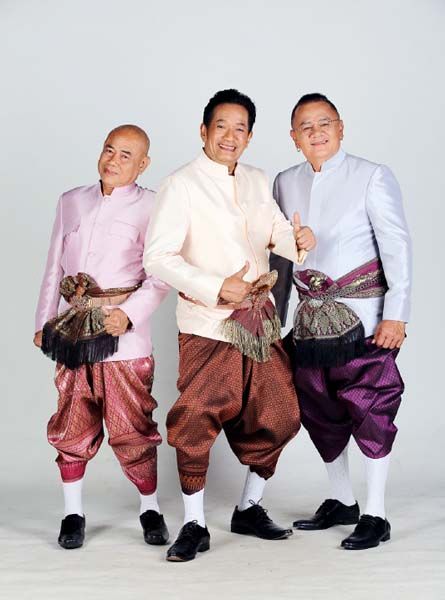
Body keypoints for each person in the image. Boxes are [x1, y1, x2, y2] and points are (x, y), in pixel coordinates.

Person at [144, 89, 315, 562]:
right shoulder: (180, 185)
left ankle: (249, 508)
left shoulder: (258, 179)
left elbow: (277, 231)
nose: (230, 136)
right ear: (204, 131)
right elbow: (157, 257)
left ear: (250, 136)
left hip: (260, 321)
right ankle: (194, 524)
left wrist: (299, 240)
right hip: (208, 322)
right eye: (221, 126)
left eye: (240, 128)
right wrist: (218, 286)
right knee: (196, 417)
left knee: (281, 414)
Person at [270, 93, 412, 550]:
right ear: (294, 137)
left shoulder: (371, 175)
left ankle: (376, 513)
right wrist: (274, 317)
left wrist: (396, 314)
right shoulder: (284, 181)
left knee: (371, 408)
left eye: (325, 123)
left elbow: (396, 246)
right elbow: (280, 257)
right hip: (309, 321)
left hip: (363, 319)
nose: (317, 133)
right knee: (319, 408)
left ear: (341, 127)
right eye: (306, 127)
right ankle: (342, 500)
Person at [34, 125, 170, 549]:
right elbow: (54, 266)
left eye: (126, 155)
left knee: (132, 426)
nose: (114, 160)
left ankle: (150, 508)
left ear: (144, 164)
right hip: (73, 332)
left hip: (123, 337)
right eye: (109, 150)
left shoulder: (154, 206)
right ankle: (72, 513)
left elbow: (160, 276)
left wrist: (128, 316)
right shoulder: (71, 200)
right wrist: (44, 321)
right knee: (71, 421)